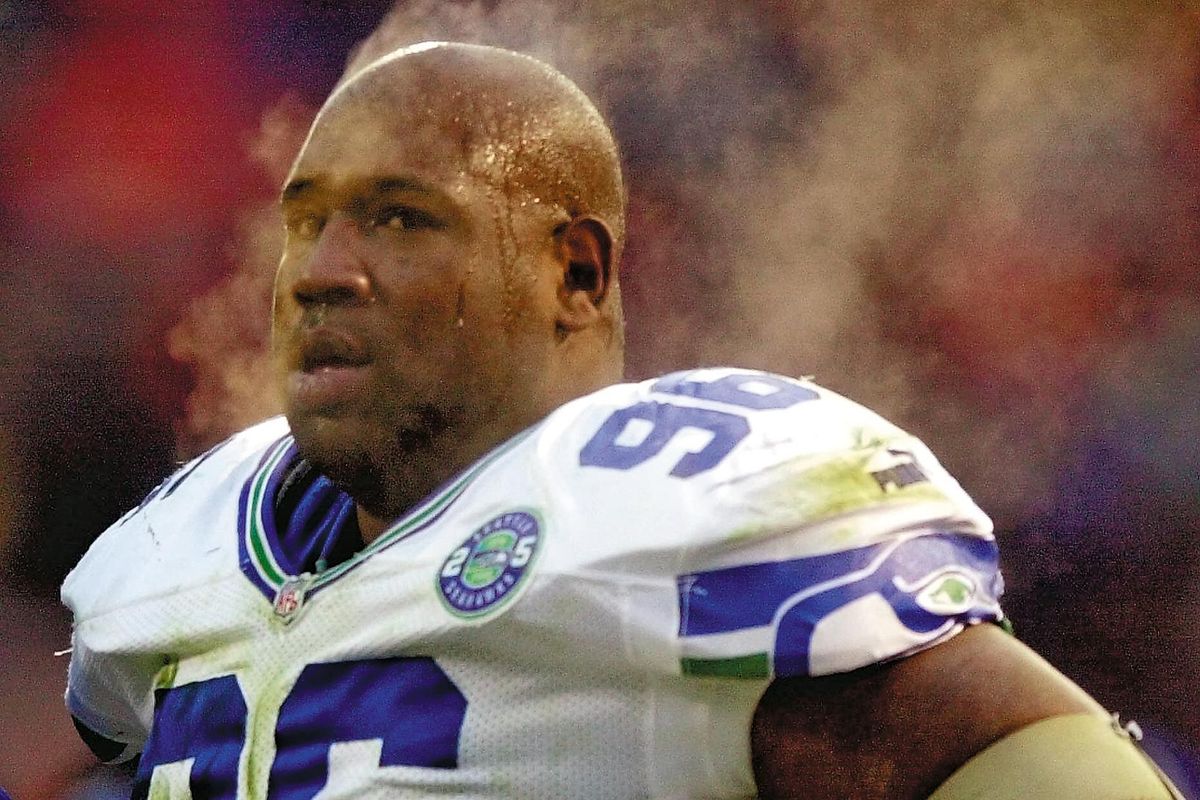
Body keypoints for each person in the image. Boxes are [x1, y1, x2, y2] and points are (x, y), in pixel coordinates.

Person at [62, 42, 1183, 800]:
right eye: (304, 225)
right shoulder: (186, 548)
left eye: (400, 220)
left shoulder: (665, 513)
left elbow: (1028, 754)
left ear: (578, 276)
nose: (321, 273)